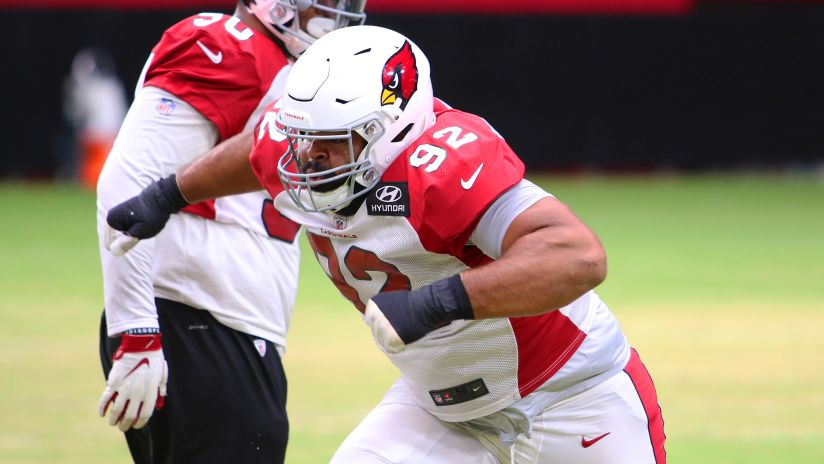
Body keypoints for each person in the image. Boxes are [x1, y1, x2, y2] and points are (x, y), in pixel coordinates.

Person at [104, 25, 667, 463]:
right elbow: (259, 149)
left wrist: (437, 302)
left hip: (571, 396)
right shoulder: (301, 145)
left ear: (388, 131)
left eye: (329, 145)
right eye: (304, 141)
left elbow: (578, 255)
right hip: (440, 409)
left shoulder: (442, 163)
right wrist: (167, 194)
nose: (304, 160)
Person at [95, 2, 366, 463]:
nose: (337, 14)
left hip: (225, 327)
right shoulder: (227, 44)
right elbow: (129, 182)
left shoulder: (289, 72)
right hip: (195, 321)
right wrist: (135, 330)